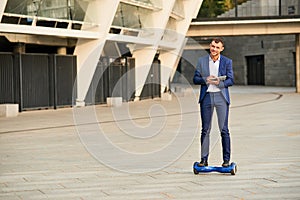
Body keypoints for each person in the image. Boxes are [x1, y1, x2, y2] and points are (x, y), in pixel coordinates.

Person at [193, 37, 234, 167]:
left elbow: (231, 80)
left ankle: (226, 161)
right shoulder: (202, 61)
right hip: (206, 98)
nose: (214, 49)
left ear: (221, 49)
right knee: (205, 130)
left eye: (217, 47)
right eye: (212, 46)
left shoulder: (227, 62)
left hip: (221, 98)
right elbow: (195, 79)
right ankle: (204, 159)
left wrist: (219, 83)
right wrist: (206, 79)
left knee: (224, 130)